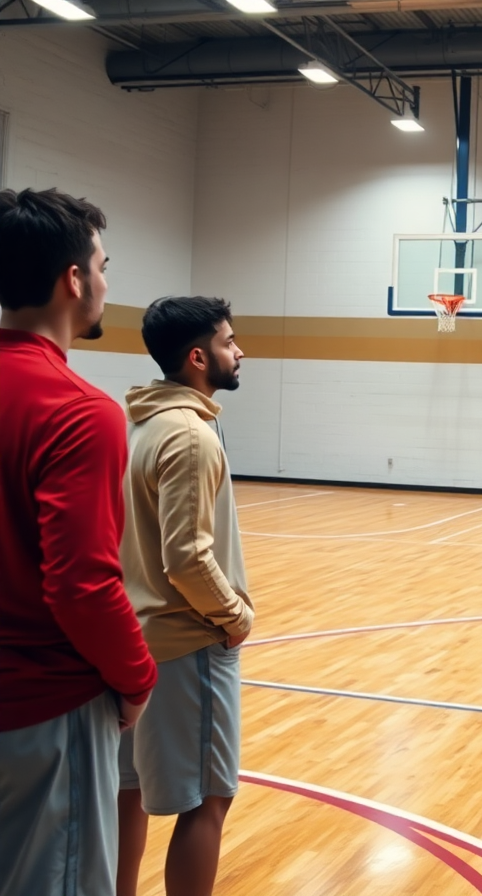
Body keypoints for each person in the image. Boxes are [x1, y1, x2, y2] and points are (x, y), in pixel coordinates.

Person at [0, 188, 157, 896]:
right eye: (103, 265)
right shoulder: (79, 412)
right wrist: (137, 678)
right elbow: (82, 584)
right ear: (74, 280)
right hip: (44, 708)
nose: (104, 280)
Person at [116, 296, 254, 896]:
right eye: (228, 341)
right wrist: (235, 616)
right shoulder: (190, 437)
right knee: (210, 800)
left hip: (136, 637)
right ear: (198, 357)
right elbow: (188, 558)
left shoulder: (142, 424)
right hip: (187, 642)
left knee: (130, 791)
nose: (239, 350)